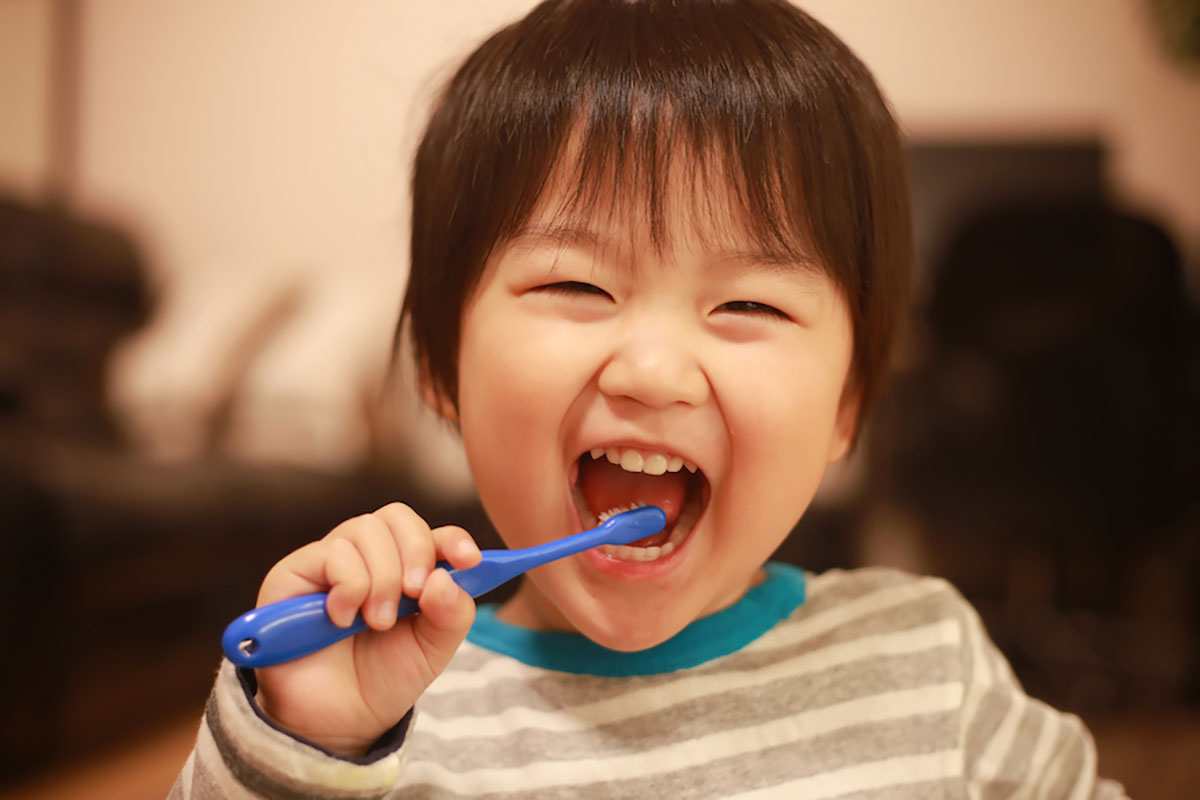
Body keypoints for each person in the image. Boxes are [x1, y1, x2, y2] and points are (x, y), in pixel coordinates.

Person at [172, 1, 1127, 797]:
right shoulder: (379, 713)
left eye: (749, 303)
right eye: (575, 285)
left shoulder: (929, 667)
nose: (654, 371)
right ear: (438, 365)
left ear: (848, 405)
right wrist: (305, 741)